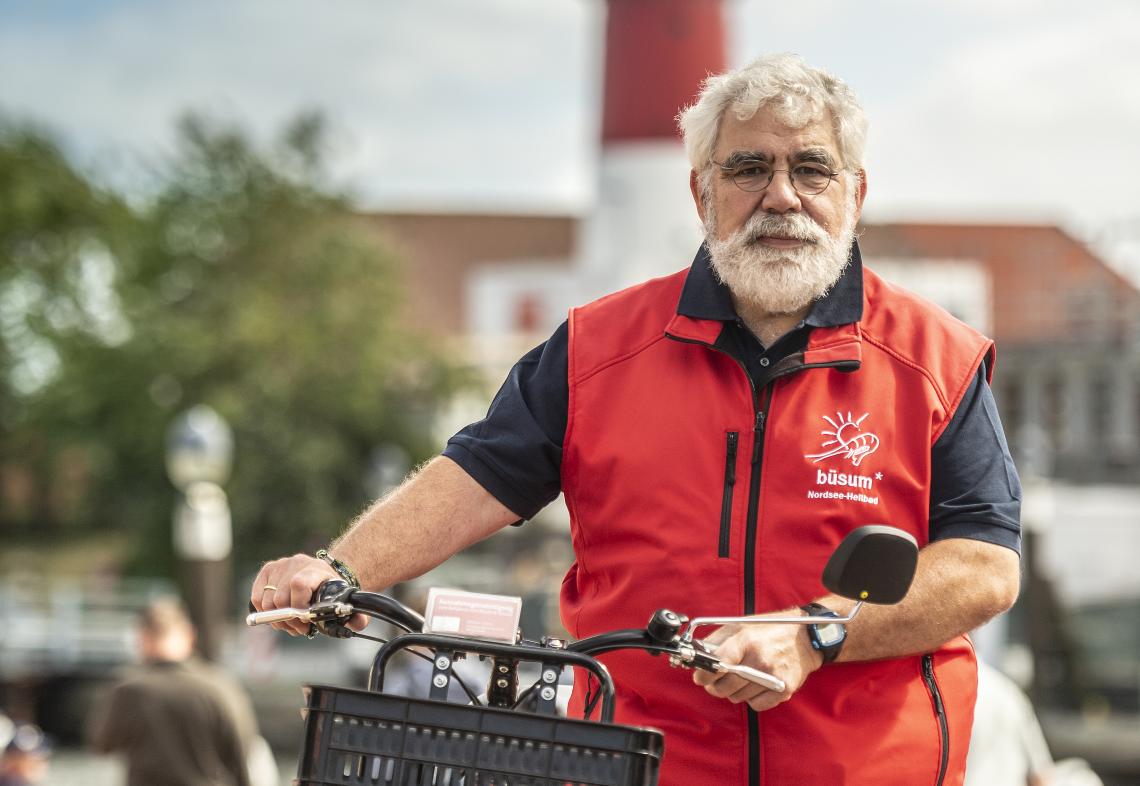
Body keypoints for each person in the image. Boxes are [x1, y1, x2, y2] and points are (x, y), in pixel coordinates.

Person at [252, 53, 1022, 785]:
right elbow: (479, 473)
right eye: (748, 168)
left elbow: (986, 564)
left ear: (854, 193)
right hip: (640, 761)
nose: (781, 196)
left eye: (811, 168)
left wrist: (816, 632)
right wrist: (340, 570)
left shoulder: (936, 358)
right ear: (701, 194)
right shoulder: (598, 347)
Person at [88, 598, 261, 786]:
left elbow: (101, 743)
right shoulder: (222, 686)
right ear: (190, 635)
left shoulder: (129, 689)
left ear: (142, 637)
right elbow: (243, 751)